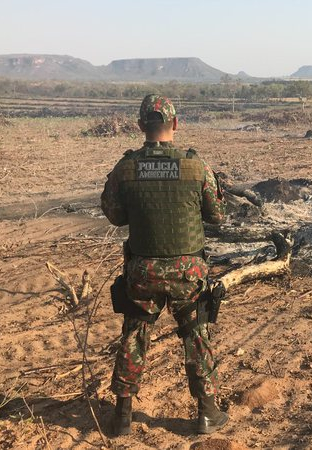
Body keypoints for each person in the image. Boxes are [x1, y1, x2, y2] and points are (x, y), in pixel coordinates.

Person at [100, 94, 229, 436]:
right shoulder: (194, 167)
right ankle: (206, 412)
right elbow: (217, 216)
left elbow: (114, 216)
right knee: (196, 335)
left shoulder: (125, 168)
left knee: (135, 335)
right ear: (176, 123)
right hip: (188, 273)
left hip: (143, 273)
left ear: (141, 126)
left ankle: (123, 416)